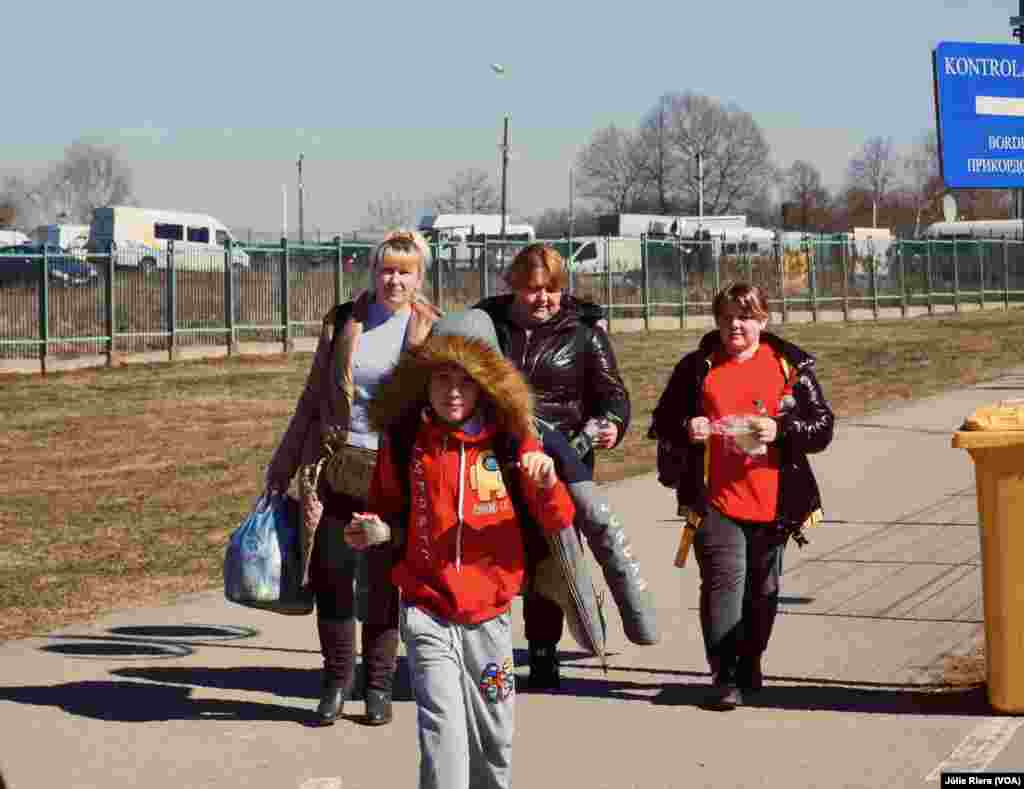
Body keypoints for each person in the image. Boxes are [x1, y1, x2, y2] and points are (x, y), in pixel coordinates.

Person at [347, 308, 577, 789]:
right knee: (442, 728)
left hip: (489, 613)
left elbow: (557, 520)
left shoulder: (516, 442)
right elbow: (388, 511)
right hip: (426, 605)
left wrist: (549, 480)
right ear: (425, 380)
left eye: (467, 381)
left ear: (487, 386)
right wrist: (375, 532)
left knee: (494, 737)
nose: (453, 391)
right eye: (443, 378)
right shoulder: (405, 438)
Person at [264, 229, 440, 726]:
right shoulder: (345, 322)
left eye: (405, 270)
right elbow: (312, 397)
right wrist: (284, 463)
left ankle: (379, 686)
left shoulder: (433, 329)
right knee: (333, 578)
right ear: (373, 272)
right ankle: (336, 682)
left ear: (419, 277)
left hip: (395, 475)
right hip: (336, 467)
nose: (394, 279)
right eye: (387, 269)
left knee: (385, 585)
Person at [648, 282, 834, 710]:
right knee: (722, 582)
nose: (736, 325)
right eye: (729, 316)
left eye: (746, 317)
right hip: (713, 496)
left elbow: (822, 427)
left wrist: (782, 429)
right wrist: (686, 427)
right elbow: (663, 420)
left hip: (775, 497)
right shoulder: (697, 367)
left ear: (763, 322)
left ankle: (750, 661)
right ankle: (725, 675)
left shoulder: (789, 367)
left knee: (763, 587)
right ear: (717, 320)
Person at [476, 242, 632, 689]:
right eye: (531, 289)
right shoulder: (490, 328)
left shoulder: (585, 334)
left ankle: (544, 653)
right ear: (513, 287)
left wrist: (613, 425)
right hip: (496, 464)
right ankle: (491, 654)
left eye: (551, 289)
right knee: (495, 559)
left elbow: (613, 395)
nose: (542, 298)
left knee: (548, 562)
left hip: (559, 466)